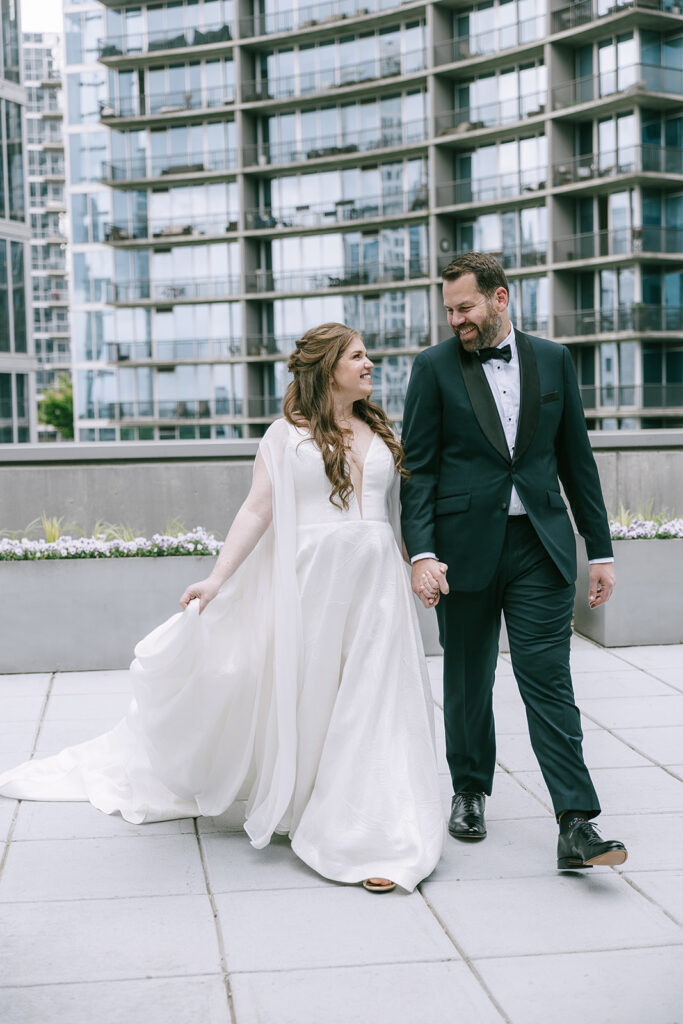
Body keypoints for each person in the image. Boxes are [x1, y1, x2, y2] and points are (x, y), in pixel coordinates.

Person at [0, 323, 444, 893]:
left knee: (376, 700)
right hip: (314, 586)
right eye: (358, 355)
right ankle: (321, 806)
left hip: (377, 585)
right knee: (317, 700)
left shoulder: (377, 430)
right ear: (328, 366)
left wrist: (416, 564)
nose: (370, 363)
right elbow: (258, 510)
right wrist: (215, 579)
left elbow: (392, 515)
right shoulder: (285, 436)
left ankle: (376, 834)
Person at [400, 253, 628, 870]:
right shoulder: (433, 368)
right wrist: (421, 552)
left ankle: (576, 821)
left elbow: (576, 458)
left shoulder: (554, 360)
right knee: (468, 678)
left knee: (548, 680)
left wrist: (599, 551)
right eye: (449, 309)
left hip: (539, 547)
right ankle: (470, 790)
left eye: (466, 307)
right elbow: (417, 471)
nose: (456, 320)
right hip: (462, 551)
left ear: (501, 298)